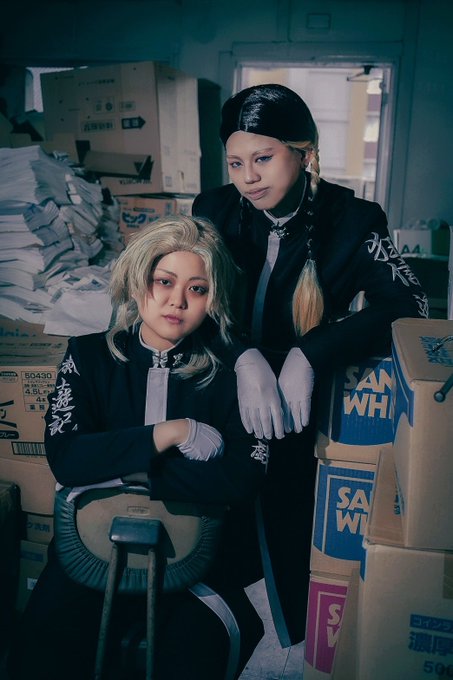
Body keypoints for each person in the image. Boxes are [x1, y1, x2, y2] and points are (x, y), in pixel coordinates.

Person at [192, 83, 429, 647]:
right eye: (236, 163)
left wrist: (310, 352)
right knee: (213, 517)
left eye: (263, 158)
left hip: (301, 395)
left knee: (290, 515)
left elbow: (408, 302)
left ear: (304, 152)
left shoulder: (355, 218)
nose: (248, 178)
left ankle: (303, 633)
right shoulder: (212, 210)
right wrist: (242, 356)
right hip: (223, 379)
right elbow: (192, 299)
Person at [6, 215, 269, 680]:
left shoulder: (233, 374)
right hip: (89, 548)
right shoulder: (87, 356)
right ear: (137, 279)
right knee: (40, 655)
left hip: (198, 562)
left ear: (213, 299)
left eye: (197, 289)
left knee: (197, 654)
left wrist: (119, 468)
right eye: (164, 281)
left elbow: (241, 479)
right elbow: (68, 459)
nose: (176, 301)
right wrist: (169, 434)